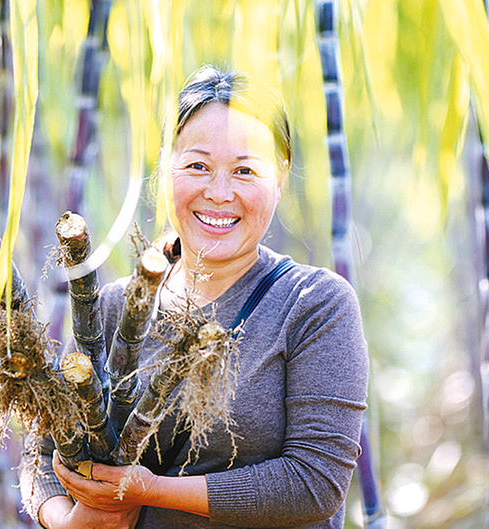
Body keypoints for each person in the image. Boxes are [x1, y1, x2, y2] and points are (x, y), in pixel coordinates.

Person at [22, 65, 370, 529]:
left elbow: (313, 481)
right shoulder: (112, 308)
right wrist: (68, 522)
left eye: (245, 171)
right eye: (198, 166)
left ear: (280, 177)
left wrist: (150, 491)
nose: (219, 193)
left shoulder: (313, 303)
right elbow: (44, 456)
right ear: (166, 167)